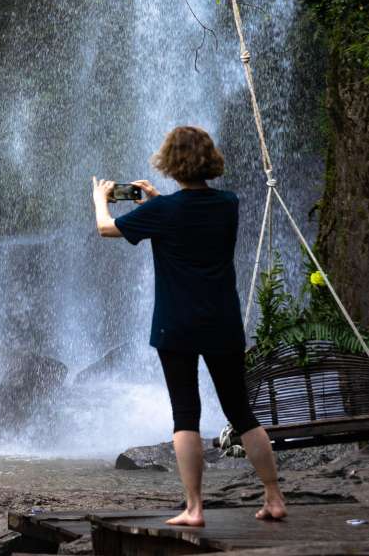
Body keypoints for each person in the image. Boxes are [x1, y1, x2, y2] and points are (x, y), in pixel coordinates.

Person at [91, 125, 287, 526]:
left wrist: (100, 200)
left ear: (171, 163)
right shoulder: (227, 203)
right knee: (242, 412)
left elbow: (105, 228)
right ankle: (274, 497)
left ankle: (194, 508)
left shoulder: (161, 213)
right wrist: (159, 201)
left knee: (186, 414)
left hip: (176, 325)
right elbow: (190, 216)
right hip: (223, 322)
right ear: (208, 161)